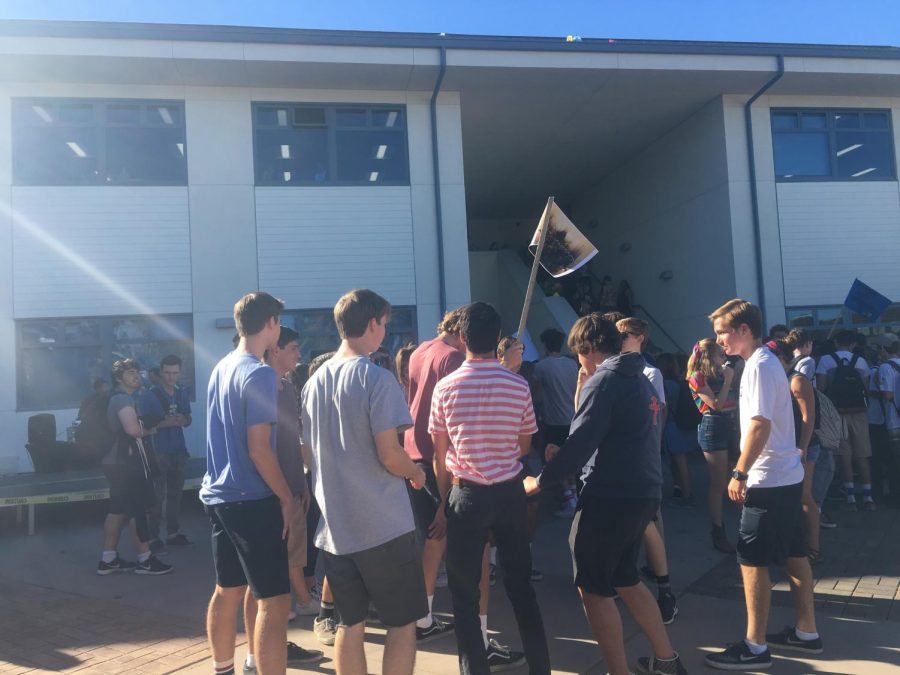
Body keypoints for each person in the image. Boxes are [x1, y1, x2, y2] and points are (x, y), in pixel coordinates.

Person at [525, 314, 686, 675]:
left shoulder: (606, 380)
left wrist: (540, 480)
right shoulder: (639, 377)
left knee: (593, 587)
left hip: (609, 495)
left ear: (591, 348)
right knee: (625, 577)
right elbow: (611, 435)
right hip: (642, 490)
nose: (578, 361)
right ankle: (666, 660)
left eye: (579, 354)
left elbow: (581, 442)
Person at [301, 289, 428, 675]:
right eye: (385, 325)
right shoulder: (378, 379)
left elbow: (307, 456)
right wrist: (417, 473)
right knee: (402, 624)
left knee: (348, 623)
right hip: (384, 526)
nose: (385, 333)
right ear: (372, 324)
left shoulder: (313, 382)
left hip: (336, 528)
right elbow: (390, 454)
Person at [431, 302, 551, 675]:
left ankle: (474, 670)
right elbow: (525, 445)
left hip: (465, 492)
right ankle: (540, 669)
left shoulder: (446, 388)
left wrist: (443, 499)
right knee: (520, 588)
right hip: (508, 492)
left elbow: (439, 454)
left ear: (462, 338)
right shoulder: (517, 385)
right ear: (498, 338)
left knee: (464, 596)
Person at [705, 300, 821, 670]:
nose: (718, 339)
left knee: (752, 560)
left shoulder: (757, 365)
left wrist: (738, 473)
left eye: (722, 332)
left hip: (768, 478)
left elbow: (759, 425)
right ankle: (807, 632)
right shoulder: (766, 363)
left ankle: (755, 647)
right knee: (794, 552)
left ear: (743, 330)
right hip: (785, 475)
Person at [200, 292, 297, 675]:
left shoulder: (222, 366)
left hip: (219, 497)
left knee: (227, 590)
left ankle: (224, 668)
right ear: (271, 324)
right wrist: (287, 498)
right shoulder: (257, 372)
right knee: (274, 601)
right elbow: (260, 450)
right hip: (252, 500)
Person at [242, 326, 324, 674]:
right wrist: (280, 495)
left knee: (266, 585)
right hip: (271, 498)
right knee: (264, 586)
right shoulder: (259, 386)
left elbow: (293, 439)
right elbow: (259, 449)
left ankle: (269, 648)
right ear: (274, 350)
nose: (297, 355)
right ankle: (258, 656)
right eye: (292, 348)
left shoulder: (288, 387)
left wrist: (302, 480)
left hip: (292, 490)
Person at [403, 309, 464, 644]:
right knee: (436, 538)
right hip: (438, 454)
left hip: (414, 449)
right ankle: (423, 617)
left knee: (428, 538)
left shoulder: (420, 350)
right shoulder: (453, 357)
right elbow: (454, 416)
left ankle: (423, 612)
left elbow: (412, 398)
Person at [616, 318, 678, 625]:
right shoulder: (614, 368)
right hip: (626, 460)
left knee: (651, 521)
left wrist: (653, 448)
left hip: (644, 459)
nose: (619, 339)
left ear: (639, 337)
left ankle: (663, 585)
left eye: (623, 335)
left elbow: (659, 412)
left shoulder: (650, 373)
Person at [96, 359, 173, 577]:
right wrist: (151, 427)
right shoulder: (122, 399)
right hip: (126, 464)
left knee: (117, 510)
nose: (136, 376)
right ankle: (145, 559)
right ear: (119, 378)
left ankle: (108, 559)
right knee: (136, 510)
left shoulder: (118, 397)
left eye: (137, 372)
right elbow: (132, 430)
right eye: (130, 373)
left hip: (114, 462)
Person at [771, 340, 822, 564]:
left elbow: (808, 418)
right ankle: (790, 543)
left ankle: (813, 546)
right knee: (787, 498)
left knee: (804, 496)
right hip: (785, 448)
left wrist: (802, 446)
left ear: (782, 358)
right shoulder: (777, 380)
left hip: (804, 447)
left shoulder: (797, 380)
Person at [686, 339, 737, 554]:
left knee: (737, 476)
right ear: (709, 356)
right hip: (713, 425)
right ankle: (718, 531)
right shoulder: (697, 377)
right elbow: (715, 405)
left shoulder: (720, 373)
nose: (724, 358)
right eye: (720, 354)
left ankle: (749, 527)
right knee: (718, 484)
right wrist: (728, 381)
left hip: (731, 424)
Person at [815, 329, 875, 511]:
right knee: (862, 454)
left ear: (835, 342)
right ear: (853, 344)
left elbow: (822, 388)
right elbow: (867, 388)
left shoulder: (825, 361)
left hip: (837, 413)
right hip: (859, 413)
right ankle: (868, 497)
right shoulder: (861, 362)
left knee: (844, 455)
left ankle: (850, 498)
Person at [142, 354, 193, 556]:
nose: (171, 377)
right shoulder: (149, 396)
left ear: (180, 372)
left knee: (176, 494)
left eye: (175, 373)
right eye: (167, 373)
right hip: (158, 452)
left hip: (179, 450)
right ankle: (152, 537)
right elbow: (143, 425)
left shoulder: (182, 394)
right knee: (156, 496)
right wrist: (166, 422)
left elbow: (188, 419)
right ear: (160, 372)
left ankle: (173, 533)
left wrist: (183, 419)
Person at [532, 328, 580, 519]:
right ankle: (574, 495)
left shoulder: (541, 367)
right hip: (573, 419)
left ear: (544, 345)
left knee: (553, 459)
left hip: (554, 421)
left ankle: (569, 499)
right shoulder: (572, 364)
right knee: (572, 459)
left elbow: (535, 393)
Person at [874, 336, 900, 507]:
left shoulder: (884, 367)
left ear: (884, 349)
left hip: (894, 420)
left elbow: (888, 395)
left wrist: (871, 391)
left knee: (895, 461)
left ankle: (895, 497)